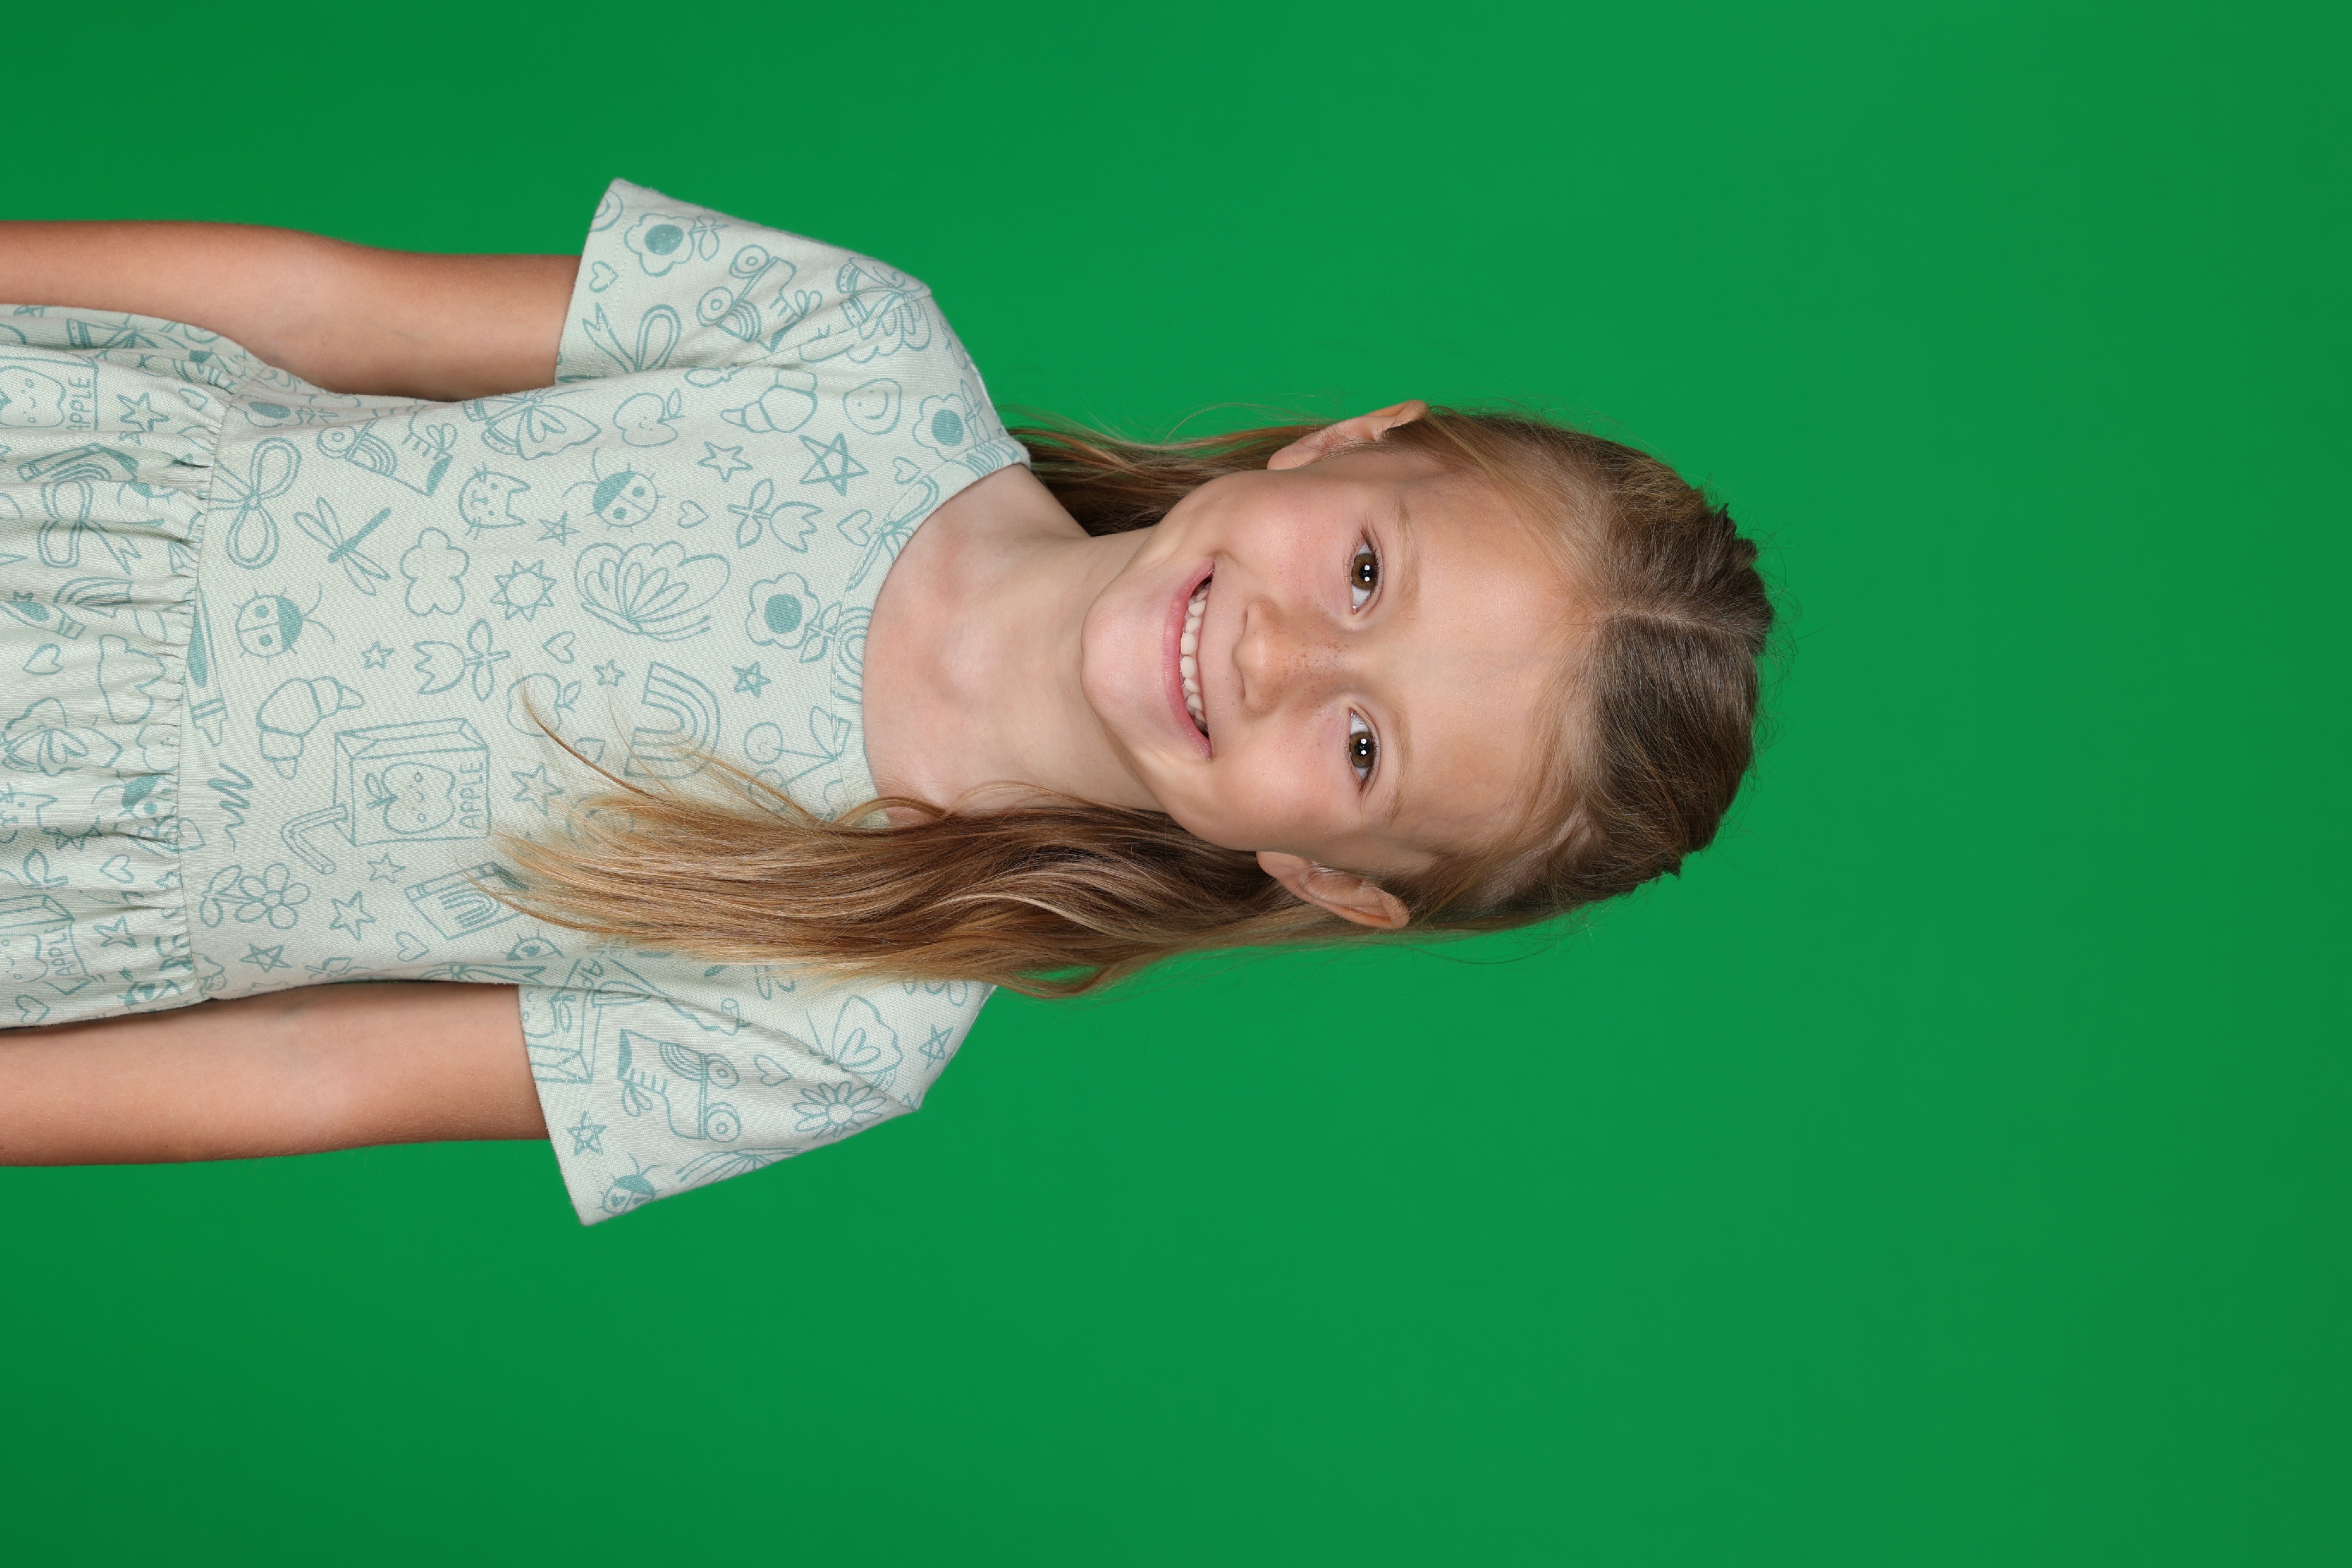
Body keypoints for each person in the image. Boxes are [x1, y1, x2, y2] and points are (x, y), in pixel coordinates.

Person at [0, 181, 1773, 1221]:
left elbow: (311, 1070)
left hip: (52, 880)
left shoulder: (849, 1022)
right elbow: (336, 307)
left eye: (1364, 747)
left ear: (1326, 877)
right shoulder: (856, 351)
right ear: (1345, 444)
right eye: (1369, 573)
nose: (1279, 657)